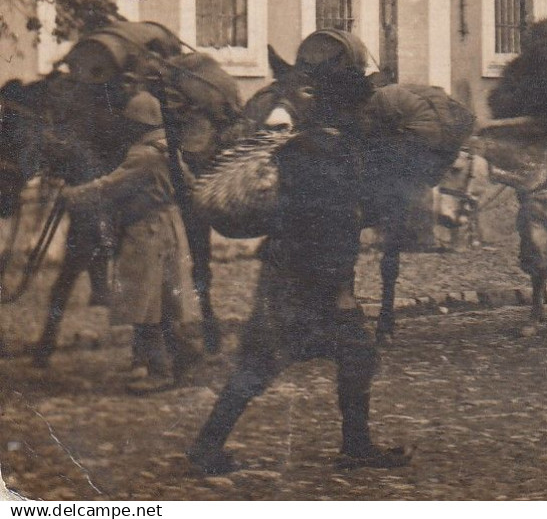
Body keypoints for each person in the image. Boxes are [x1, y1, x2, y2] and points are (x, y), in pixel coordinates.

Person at [187, 49, 410, 475]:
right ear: (346, 108)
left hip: (286, 272)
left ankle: (208, 446)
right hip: (310, 280)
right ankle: (355, 447)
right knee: (347, 354)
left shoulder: (302, 147)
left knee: (272, 363)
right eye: (362, 106)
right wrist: (340, 290)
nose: (366, 113)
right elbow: (333, 226)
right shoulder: (335, 154)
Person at [60, 91, 198, 394]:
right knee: (162, 301)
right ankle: (179, 361)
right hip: (169, 228)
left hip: (145, 233)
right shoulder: (168, 149)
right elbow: (189, 184)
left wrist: (74, 194)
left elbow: (110, 186)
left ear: (138, 124)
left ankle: (160, 371)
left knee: (145, 303)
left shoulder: (143, 155)